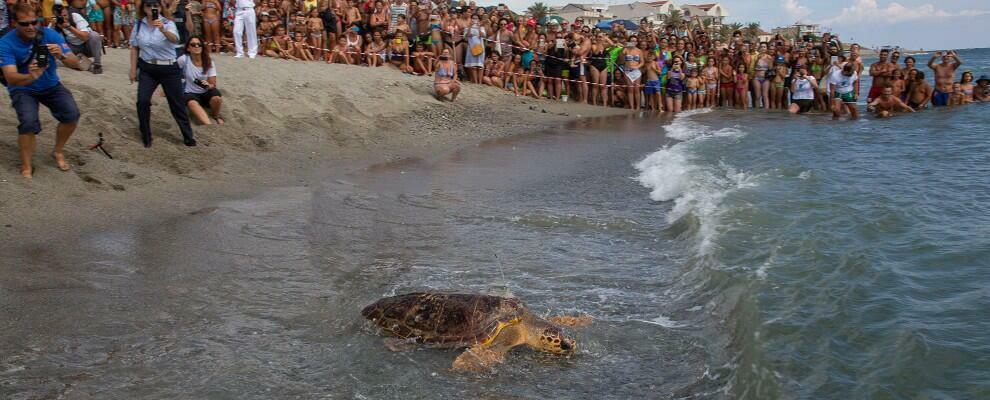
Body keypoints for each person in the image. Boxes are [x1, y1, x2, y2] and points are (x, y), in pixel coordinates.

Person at [1, 2, 82, 178]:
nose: (31, 27)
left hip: (50, 84)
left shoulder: (50, 34)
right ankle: (26, 166)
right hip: (23, 87)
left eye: (34, 22)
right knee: (28, 123)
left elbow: (77, 64)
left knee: (71, 114)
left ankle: (58, 151)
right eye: (24, 24)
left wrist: (61, 54)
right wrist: (31, 75)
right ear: (14, 23)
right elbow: (11, 77)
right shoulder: (5, 43)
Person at [129, 0, 196, 147]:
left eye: (156, 5)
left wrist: (163, 30)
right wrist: (133, 69)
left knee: (176, 104)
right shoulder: (139, 24)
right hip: (148, 68)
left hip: (168, 68)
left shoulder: (168, 22)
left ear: (160, 7)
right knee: (142, 101)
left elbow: (175, 39)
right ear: (143, 8)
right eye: (149, 5)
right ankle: (146, 137)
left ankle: (188, 137)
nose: (153, 8)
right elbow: (134, 47)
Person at [179, 36, 223, 125]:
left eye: (199, 44)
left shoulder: (208, 61)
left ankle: (215, 116)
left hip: (205, 91)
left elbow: (213, 84)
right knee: (191, 103)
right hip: (190, 92)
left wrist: (208, 85)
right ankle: (209, 124)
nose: (196, 46)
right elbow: (173, 74)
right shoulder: (184, 59)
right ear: (188, 48)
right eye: (193, 44)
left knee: (217, 98)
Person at [58, 0, 103, 73]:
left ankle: (97, 64)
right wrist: (54, 27)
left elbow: (85, 37)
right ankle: (79, 61)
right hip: (71, 47)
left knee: (94, 35)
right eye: (60, 16)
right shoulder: (55, 22)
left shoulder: (75, 16)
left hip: (86, 45)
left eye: (65, 15)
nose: (63, 18)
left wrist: (69, 27)